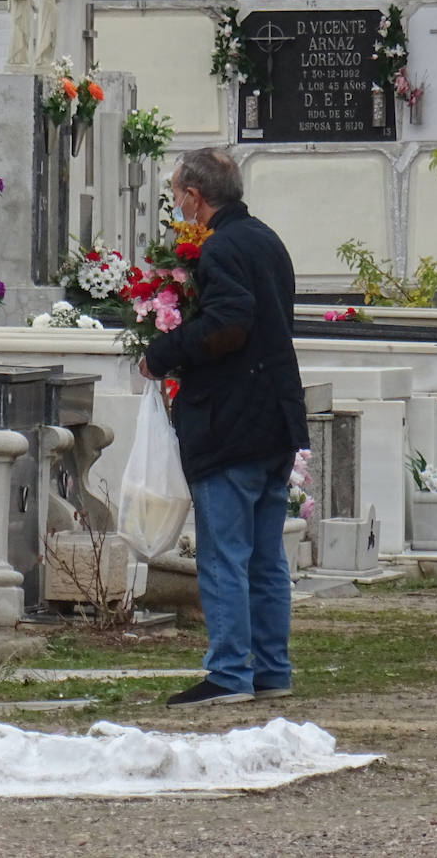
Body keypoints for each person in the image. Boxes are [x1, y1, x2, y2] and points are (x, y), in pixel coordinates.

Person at [139, 148, 308, 708]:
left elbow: (229, 324)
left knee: (224, 555)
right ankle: (271, 669)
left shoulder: (222, 249)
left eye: (178, 194)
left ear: (195, 195)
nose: (178, 205)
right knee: (264, 556)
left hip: (232, 418)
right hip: (275, 415)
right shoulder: (266, 238)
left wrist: (162, 352)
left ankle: (231, 672)